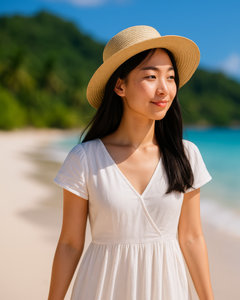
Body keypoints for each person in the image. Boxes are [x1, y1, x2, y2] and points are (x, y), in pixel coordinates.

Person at [48, 25, 214, 300]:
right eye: (151, 76)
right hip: (101, 288)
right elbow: (69, 244)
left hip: (166, 289)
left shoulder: (186, 155)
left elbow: (192, 237)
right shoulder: (86, 159)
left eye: (170, 77)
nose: (164, 89)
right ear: (120, 85)